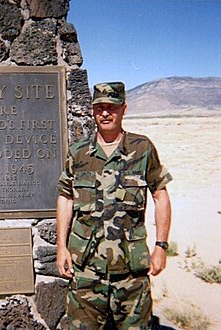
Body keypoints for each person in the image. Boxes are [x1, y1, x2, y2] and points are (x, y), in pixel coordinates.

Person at [56, 82, 172, 329]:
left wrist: (161, 246)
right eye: (100, 108)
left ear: (124, 109)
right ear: (93, 111)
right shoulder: (78, 153)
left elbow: (160, 195)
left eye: (112, 107)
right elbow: (65, 197)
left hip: (131, 272)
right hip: (85, 269)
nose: (106, 113)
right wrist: (61, 247)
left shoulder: (142, 149)